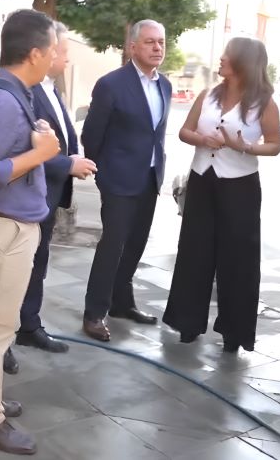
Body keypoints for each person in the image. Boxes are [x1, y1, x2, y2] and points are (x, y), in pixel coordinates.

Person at [0, 8, 61, 455]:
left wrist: (40, 149)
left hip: (7, 226)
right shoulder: (2, 100)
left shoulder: (16, 94)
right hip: (4, 230)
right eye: (54, 49)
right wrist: (40, 154)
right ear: (35, 53)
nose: (58, 57)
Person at [163, 36, 280, 353]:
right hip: (202, 180)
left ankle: (234, 332)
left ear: (243, 62)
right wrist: (202, 138)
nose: (221, 59)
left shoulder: (264, 103)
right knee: (194, 251)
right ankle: (187, 323)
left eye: (227, 55)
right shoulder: (207, 96)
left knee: (238, 260)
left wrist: (245, 146)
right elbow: (184, 131)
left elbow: (275, 144)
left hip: (241, 186)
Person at [7, 22, 96, 372]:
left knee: (37, 264)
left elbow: (62, 138)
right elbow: (23, 150)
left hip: (48, 196)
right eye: (62, 52)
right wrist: (66, 164)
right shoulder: (25, 93)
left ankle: (29, 326)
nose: (66, 59)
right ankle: (2, 340)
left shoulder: (52, 90)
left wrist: (73, 158)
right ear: (43, 51)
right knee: (16, 271)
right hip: (27, 196)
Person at [79, 19, 173, 342]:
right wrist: (103, 170)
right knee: (113, 245)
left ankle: (122, 302)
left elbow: (155, 133)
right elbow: (91, 135)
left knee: (136, 243)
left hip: (149, 177)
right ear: (132, 47)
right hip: (118, 179)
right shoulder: (112, 84)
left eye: (161, 42)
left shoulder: (165, 86)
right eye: (149, 42)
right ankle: (94, 312)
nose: (157, 47)